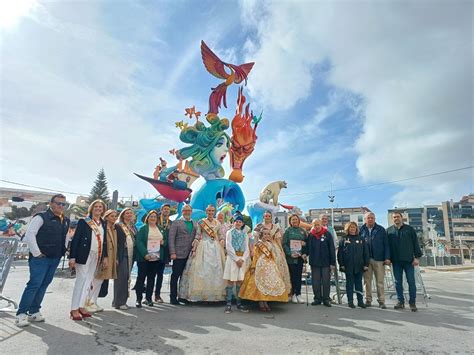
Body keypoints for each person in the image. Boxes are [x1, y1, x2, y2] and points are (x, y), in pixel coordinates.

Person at [15, 194, 70, 327]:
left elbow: (66, 237)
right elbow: (30, 234)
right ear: (51, 204)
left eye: (63, 204)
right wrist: (37, 253)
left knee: (44, 285)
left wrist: (64, 250)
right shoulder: (40, 217)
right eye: (58, 203)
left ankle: (34, 311)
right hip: (41, 258)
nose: (61, 206)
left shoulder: (66, 220)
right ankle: (21, 314)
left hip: (55, 257)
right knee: (34, 284)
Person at [69, 199, 108, 321]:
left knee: (88, 281)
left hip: (97, 255)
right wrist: (72, 257)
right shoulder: (84, 221)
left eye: (100, 207)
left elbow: (104, 241)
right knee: (81, 280)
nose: (98, 208)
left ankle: (81, 306)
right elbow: (76, 240)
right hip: (84, 254)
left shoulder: (103, 223)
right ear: (91, 208)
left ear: (103, 209)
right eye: (96, 206)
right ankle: (74, 309)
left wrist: (105, 256)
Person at [179, 205, 226, 302]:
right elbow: (198, 235)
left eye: (212, 211)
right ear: (206, 211)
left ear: (214, 211)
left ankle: (215, 295)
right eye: (209, 210)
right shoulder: (201, 222)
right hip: (203, 246)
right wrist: (195, 246)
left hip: (215, 248)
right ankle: (201, 295)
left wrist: (221, 241)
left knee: (216, 270)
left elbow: (220, 235)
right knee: (201, 270)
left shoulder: (217, 223)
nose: (210, 212)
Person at [239, 228, 289, 311]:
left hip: (269, 264)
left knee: (268, 282)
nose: (267, 235)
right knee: (260, 282)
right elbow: (255, 256)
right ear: (261, 235)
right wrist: (253, 266)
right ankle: (261, 302)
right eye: (265, 234)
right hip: (260, 264)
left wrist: (275, 264)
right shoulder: (258, 244)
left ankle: (265, 301)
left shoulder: (270, 244)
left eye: (268, 234)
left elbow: (272, 255)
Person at [387, 211, 423, 312]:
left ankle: (412, 302)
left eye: (397, 217)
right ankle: (400, 302)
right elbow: (387, 247)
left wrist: (417, 257)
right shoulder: (389, 231)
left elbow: (416, 243)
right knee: (398, 283)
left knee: (411, 282)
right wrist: (388, 258)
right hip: (396, 261)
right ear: (392, 219)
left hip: (409, 261)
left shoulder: (409, 229)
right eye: (394, 217)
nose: (396, 219)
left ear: (401, 218)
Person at [85, 209, 118, 312]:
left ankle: (94, 302)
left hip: (111, 256)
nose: (114, 218)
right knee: (96, 280)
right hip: (103, 256)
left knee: (100, 281)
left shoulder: (113, 228)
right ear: (107, 217)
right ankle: (87, 301)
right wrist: (105, 257)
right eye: (112, 216)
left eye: (115, 216)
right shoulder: (103, 227)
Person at [253, 210, 291, 296]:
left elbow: (278, 240)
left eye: (269, 216)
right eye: (265, 216)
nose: (267, 217)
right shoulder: (259, 226)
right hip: (261, 247)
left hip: (273, 247)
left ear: (271, 217)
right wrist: (254, 249)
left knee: (277, 267)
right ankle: (263, 293)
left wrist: (281, 250)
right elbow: (256, 239)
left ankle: (277, 293)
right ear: (263, 217)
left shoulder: (275, 227)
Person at [360, 212, 390, 309]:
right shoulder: (361, 230)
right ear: (365, 219)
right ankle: (368, 300)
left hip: (379, 259)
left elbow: (386, 245)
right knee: (367, 281)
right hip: (366, 260)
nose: (370, 219)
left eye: (372, 218)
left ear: (375, 218)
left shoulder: (381, 229)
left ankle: (381, 301)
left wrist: (387, 258)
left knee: (380, 282)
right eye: (368, 218)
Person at [168, 204, 197, 305]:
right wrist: (172, 252)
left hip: (189, 255)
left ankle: (182, 296)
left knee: (185, 277)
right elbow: (171, 238)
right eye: (185, 210)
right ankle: (172, 297)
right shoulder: (176, 222)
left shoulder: (194, 223)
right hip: (178, 254)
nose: (187, 212)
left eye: (189, 210)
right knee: (175, 276)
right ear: (182, 211)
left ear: (191, 212)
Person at [134, 210, 164, 308]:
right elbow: (139, 242)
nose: (153, 218)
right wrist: (145, 254)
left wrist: (164, 242)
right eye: (151, 216)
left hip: (155, 258)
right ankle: (138, 299)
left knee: (151, 279)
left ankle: (148, 298)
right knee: (141, 278)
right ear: (148, 218)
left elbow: (165, 240)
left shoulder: (160, 228)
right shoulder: (143, 228)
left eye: (155, 216)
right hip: (144, 258)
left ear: (157, 218)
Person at [337, 221, 369, 309]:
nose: (352, 229)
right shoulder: (343, 239)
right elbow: (340, 254)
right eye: (350, 227)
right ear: (347, 229)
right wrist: (341, 264)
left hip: (359, 265)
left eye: (354, 227)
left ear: (356, 229)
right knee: (349, 284)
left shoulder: (361, 239)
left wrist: (366, 264)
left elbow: (366, 252)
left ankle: (360, 301)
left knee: (359, 284)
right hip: (348, 266)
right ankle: (350, 301)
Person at [223, 214, 251, 313]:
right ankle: (228, 304)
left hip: (241, 259)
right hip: (232, 259)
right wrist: (236, 259)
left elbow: (247, 248)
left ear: (242, 223)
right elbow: (228, 246)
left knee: (239, 281)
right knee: (231, 280)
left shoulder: (245, 234)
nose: (238, 223)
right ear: (233, 222)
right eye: (236, 221)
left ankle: (239, 303)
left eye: (240, 222)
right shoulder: (229, 232)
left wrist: (243, 259)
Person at [307, 218, 336, 307]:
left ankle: (326, 299)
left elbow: (332, 249)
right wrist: (304, 254)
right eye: (314, 225)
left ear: (321, 224)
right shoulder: (311, 235)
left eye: (318, 224)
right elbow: (308, 248)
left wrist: (332, 263)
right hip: (314, 262)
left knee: (326, 281)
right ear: (312, 226)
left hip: (326, 263)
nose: (316, 226)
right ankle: (317, 298)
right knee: (315, 282)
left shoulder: (327, 234)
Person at [113, 207, 136, 310]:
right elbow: (116, 242)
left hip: (131, 255)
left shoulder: (133, 226)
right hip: (122, 254)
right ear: (122, 215)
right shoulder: (118, 226)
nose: (129, 215)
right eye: (127, 213)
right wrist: (116, 257)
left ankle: (121, 301)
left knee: (126, 277)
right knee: (121, 278)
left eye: (130, 213)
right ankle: (119, 302)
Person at [282, 214, 307, 304]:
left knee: (298, 276)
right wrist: (290, 253)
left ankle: (298, 294)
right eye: (293, 220)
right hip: (291, 258)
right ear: (290, 221)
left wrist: (304, 250)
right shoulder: (287, 231)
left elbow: (307, 244)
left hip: (300, 258)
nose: (294, 221)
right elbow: (284, 244)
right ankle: (293, 294)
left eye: (296, 219)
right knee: (292, 276)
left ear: (299, 221)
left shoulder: (303, 231)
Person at [154, 204, 171, 303]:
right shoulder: (155, 220)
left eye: (168, 209)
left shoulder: (171, 223)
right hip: (153, 250)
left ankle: (157, 295)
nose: (166, 211)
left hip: (164, 251)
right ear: (161, 210)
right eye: (164, 209)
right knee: (150, 273)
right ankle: (146, 295)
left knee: (160, 274)